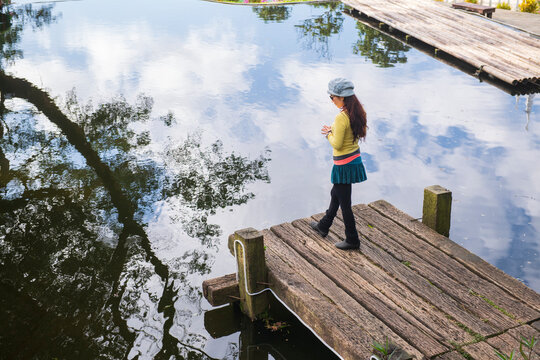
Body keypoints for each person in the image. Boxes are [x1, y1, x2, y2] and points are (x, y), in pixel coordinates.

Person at [310, 78, 368, 250]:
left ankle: (352, 239)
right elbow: (349, 137)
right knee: (336, 193)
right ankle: (323, 225)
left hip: (343, 165)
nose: (331, 100)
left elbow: (337, 144)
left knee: (345, 204)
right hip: (353, 160)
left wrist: (328, 133)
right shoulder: (358, 112)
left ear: (342, 98)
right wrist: (333, 130)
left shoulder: (341, 117)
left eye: (332, 97)